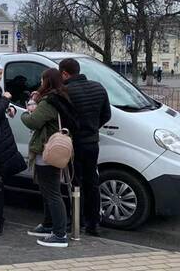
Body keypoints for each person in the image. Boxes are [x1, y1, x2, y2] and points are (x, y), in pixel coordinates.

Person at [21, 69, 78, 248]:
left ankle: (59, 234)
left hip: (47, 150)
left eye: (42, 80)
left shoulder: (49, 102)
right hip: (56, 148)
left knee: (52, 193)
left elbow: (33, 122)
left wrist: (25, 113)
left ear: (47, 81)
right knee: (48, 191)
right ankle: (48, 225)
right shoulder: (62, 96)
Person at [58, 58, 111, 237]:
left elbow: (63, 119)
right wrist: (94, 127)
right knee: (92, 183)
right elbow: (107, 114)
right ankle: (93, 223)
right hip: (92, 143)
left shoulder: (66, 91)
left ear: (65, 73)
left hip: (75, 144)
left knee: (75, 183)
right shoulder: (98, 87)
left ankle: (76, 222)